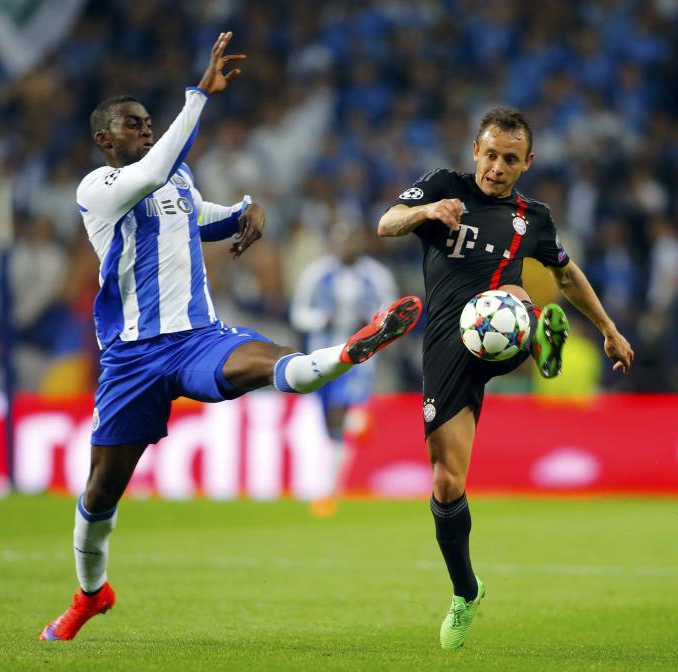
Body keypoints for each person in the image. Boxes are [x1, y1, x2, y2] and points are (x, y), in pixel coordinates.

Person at [40, 33, 422, 641]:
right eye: (132, 124)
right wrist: (199, 95)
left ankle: (347, 352)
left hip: (197, 339)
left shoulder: (177, 179)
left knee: (278, 364)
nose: (144, 129)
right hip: (131, 359)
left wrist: (249, 210)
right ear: (104, 140)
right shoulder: (99, 189)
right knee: (99, 497)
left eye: (148, 122)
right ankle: (91, 595)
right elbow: (155, 168)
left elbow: (207, 215)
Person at [377, 107, 634, 649]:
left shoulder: (532, 218)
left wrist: (608, 328)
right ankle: (465, 592)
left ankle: (539, 339)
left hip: (498, 324)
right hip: (447, 346)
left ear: (527, 163)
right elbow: (386, 223)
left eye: (510, 159)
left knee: (513, 298)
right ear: (475, 150)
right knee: (447, 482)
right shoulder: (444, 186)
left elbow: (565, 273)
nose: (496, 167)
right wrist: (424, 214)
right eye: (490, 155)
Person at [289, 223, 398, 516]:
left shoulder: (376, 275)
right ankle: (357, 424)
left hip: (358, 360)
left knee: (338, 414)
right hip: (322, 355)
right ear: (333, 243)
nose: (347, 245)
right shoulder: (316, 273)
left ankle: (327, 490)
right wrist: (321, 320)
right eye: (342, 239)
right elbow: (299, 314)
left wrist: (370, 323)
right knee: (328, 421)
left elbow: (391, 317)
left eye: (353, 238)